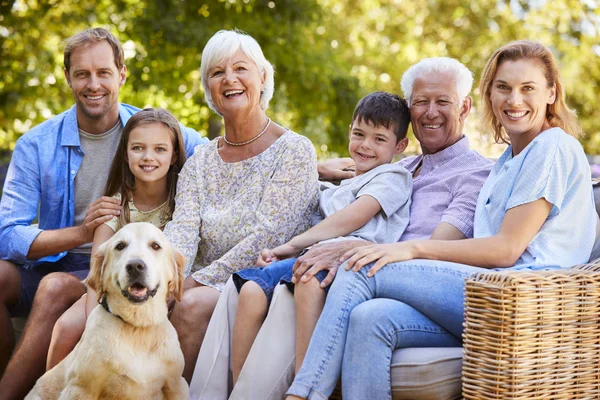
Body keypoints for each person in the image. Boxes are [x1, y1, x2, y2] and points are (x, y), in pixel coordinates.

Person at [286, 40, 597, 400]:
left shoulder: (552, 146)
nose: (514, 100)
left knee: (360, 267)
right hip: (484, 297)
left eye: (528, 88)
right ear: (489, 95)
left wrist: (410, 249)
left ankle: (302, 395)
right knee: (369, 319)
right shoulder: (507, 161)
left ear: (551, 93)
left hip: (523, 301)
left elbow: (507, 249)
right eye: (503, 88)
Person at [191, 57, 493, 400]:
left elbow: (432, 256)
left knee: (304, 283)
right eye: (421, 102)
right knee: (243, 287)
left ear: (465, 107)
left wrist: (346, 250)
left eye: (443, 102)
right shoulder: (400, 165)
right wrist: (319, 167)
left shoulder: (474, 174)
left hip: (388, 280)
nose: (430, 112)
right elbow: (347, 182)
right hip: (350, 266)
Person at [0, 28, 205, 400]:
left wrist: (315, 166)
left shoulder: (145, 131)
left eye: (103, 73)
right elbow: (6, 235)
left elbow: (224, 153)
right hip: (60, 256)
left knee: (55, 287)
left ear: (121, 75)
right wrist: (80, 233)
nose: (93, 84)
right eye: (82, 74)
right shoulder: (36, 144)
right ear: (68, 78)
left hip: (111, 267)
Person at [163, 29, 319, 382]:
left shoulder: (294, 151)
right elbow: (182, 231)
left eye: (240, 68)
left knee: (187, 309)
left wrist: (193, 285)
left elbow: (269, 235)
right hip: (196, 282)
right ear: (209, 88)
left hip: (255, 281)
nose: (229, 79)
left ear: (263, 76)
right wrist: (168, 282)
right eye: (217, 72)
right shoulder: (200, 160)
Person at [228, 91, 412, 385]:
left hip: (350, 260)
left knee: (307, 279)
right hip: (313, 254)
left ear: (400, 145)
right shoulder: (341, 183)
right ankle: (238, 387)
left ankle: (306, 382)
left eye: (379, 139)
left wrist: (291, 245)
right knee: (250, 289)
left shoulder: (393, 176)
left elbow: (353, 217)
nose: (365, 145)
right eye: (359, 134)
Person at [46, 108, 187, 369]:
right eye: (138, 148)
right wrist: (94, 328)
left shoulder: (184, 202)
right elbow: (95, 276)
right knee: (66, 328)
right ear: (125, 152)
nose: (148, 157)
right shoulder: (115, 206)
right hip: (115, 296)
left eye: (159, 149)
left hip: (161, 297)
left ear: (174, 154)